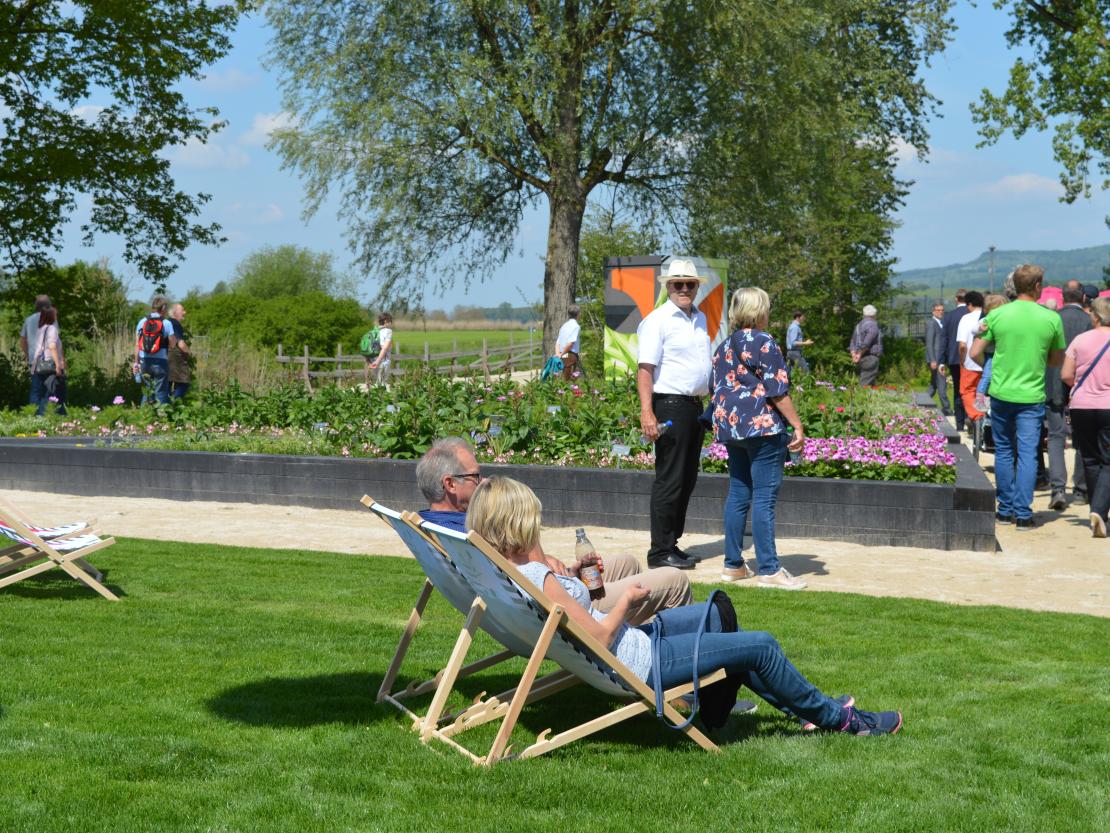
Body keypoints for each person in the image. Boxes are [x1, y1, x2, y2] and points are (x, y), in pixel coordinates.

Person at [467, 476, 903, 735]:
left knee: (716, 616)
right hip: (641, 663)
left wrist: (576, 576)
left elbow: (580, 619)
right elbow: (597, 636)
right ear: (518, 521)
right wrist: (629, 600)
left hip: (634, 645)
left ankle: (805, 710)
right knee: (762, 645)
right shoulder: (538, 576)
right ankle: (842, 721)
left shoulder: (511, 572)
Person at [415, 438, 693, 623]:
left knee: (626, 562)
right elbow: (534, 576)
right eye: (475, 476)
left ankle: (631, 651)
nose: (483, 480)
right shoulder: (466, 534)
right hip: (561, 612)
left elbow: (521, 573)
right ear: (450, 484)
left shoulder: (435, 528)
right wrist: (526, 525)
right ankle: (664, 667)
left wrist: (569, 572)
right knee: (675, 580)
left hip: (547, 597)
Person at [709, 288, 807, 591]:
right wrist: (797, 425)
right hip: (763, 427)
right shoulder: (764, 341)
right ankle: (769, 569)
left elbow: (714, 387)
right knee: (764, 498)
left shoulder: (723, 346)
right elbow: (777, 390)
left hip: (731, 428)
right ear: (760, 310)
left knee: (738, 493)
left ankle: (733, 565)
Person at [971, 265, 1065, 530]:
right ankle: (1023, 514)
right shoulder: (1051, 318)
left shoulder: (997, 315)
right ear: (1037, 286)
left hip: (1001, 393)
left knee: (1003, 451)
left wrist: (993, 367)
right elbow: (1056, 360)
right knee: (1027, 454)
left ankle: (1004, 510)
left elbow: (975, 352)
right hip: (1031, 395)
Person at [636, 259, 712, 570]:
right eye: (678, 283)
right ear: (668, 286)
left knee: (687, 479)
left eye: (689, 284)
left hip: (694, 407)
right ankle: (659, 551)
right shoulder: (657, 320)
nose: (684, 289)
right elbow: (645, 370)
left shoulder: (700, 318)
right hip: (669, 405)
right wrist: (647, 412)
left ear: (696, 287)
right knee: (670, 479)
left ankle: (671, 543)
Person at [1060, 297, 1110, 538]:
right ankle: (1099, 510)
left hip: (1081, 405)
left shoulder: (1080, 340)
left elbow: (1066, 374)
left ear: (1096, 317)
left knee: (1089, 458)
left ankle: (1096, 512)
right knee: (1109, 461)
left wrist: (1082, 385)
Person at [1056, 280, 1094, 505]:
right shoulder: (1089, 321)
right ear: (1083, 298)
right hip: (1082, 384)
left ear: (1062, 297)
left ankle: (1057, 488)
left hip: (1053, 381)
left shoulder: (1053, 318)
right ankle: (1080, 490)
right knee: (1081, 439)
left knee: (1055, 436)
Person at [133, 296, 178, 405]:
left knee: (148, 391)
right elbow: (173, 345)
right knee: (161, 392)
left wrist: (136, 363)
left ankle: (144, 413)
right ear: (163, 308)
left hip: (144, 361)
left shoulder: (142, 322)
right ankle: (161, 414)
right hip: (160, 362)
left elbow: (137, 345)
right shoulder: (166, 323)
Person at [30, 305, 67, 417]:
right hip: (49, 365)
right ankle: (51, 417)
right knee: (51, 393)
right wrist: (58, 365)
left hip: (38, 365)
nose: (56, 316)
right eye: (55, 314)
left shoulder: (40, 329)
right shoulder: (52, 329)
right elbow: (52, 346)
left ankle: (36, 417)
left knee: (38, 393)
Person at [955, 291, 986, 425]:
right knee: (982, 392)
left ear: (970, 304)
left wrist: (962, 361)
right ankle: (984, 414)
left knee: (967, 391)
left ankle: (977, 417)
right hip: (986, 362)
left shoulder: (966, 318)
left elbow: (962, 345)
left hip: (970, 362)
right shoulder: (988, 317)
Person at [943, 290, 971, 431]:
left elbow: (944, 339)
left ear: (956, 299)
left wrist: (942, 359)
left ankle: (959, 424)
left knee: (958, 390)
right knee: (972, 389)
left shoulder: (949, 316)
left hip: (954, 358)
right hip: (971, 358)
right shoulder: (972, 314)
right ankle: (971, 418)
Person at [19, 294, 53, 408]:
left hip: (33, 359)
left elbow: (22, 340)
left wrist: (27, 356)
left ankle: (33, 414)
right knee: (48, 389)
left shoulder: (28, 320)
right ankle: (45, 414)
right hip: (48, 359)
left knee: (35, 389)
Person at [924, 301, 951, 415]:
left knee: (933, 385)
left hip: (940, 358)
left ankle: (921, 402)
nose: (941, 312)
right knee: (942, 383)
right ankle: (947, 408)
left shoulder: (940, 323)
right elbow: (929, 343)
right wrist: (933, 360)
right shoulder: (932, 323)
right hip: (935, 359)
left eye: (942, 310)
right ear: (933, 311)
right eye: (938, 310)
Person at [848, 304, 882, 387]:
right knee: (864, 385)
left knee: (871, 386)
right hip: (870, 357)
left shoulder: (858, 326)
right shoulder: (873, 325)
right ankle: (858, 395)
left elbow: (852, 341)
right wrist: (859, 354)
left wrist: (854, 354)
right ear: (874, 315)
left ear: (864, 314)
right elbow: (867, 342)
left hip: (861, 359)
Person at [167, 303, 193, 400]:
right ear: (175, 313)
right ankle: (174, 402)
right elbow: (181, 344)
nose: (184, 312)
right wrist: (189, 353)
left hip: (164, 355)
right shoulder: (175, 323)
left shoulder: (167, 322)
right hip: (175, 357)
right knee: (184, 382)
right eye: (182, 310)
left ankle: (165, 403)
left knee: (168, 382)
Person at [555, 304, 581, 380]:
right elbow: (570, 344)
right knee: (571, 380)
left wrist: (558, 354)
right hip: (570, 355)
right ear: (578, 314)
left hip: (563, 354)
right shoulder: (576, 326)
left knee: (564, 377)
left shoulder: (564, 326)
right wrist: (561, 354)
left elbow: (558, 343)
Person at [367, 313, 394, 384]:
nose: (391, 324)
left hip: (372, 361)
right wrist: (378, 361)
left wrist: (369, 362)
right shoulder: (388, 331)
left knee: (376, 384)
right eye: (390, 322)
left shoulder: (373, 332)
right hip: (383, 362)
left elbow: (367, 348)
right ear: (386, 321)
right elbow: (384, 348)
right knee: (382, 384)